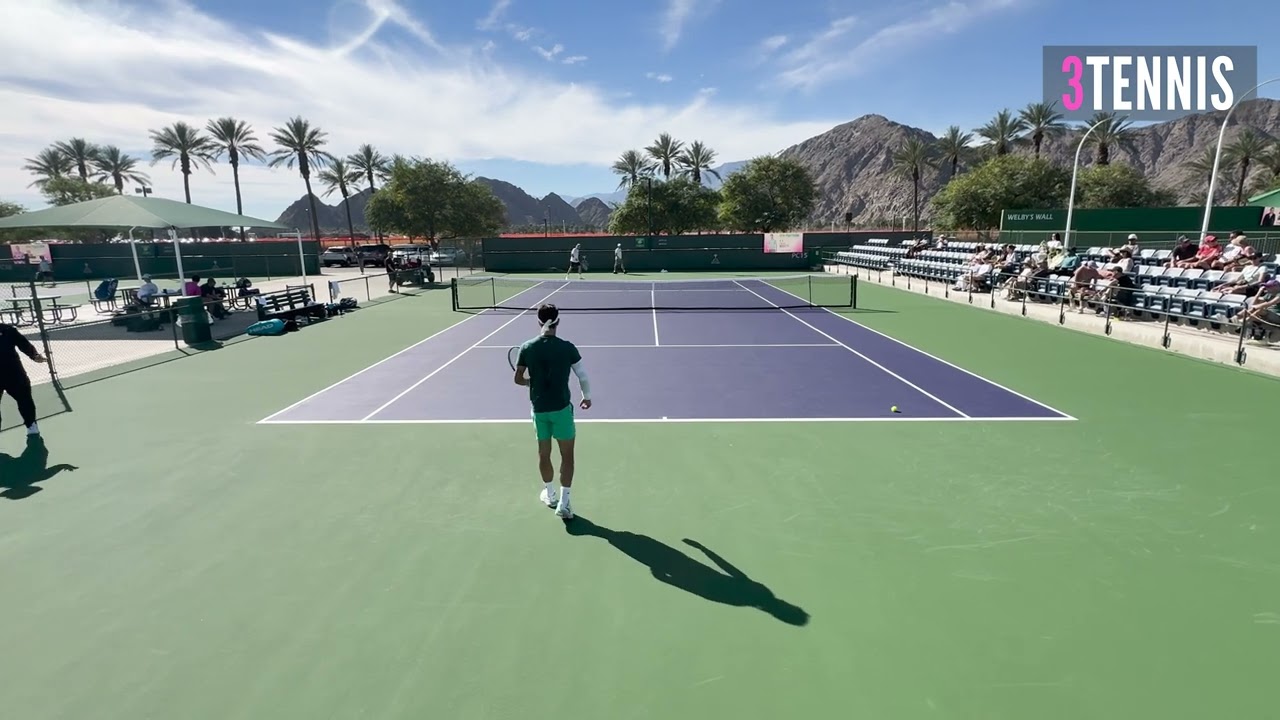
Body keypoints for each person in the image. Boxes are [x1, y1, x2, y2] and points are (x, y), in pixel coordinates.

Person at [513, 304, 591, 519]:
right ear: (558, 322)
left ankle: (549, 493)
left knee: (543, 453)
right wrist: (587, 397)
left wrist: (531, 382)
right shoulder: (567, 347)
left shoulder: (527, 347)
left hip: (539, 410)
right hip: (562, 409)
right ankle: (564, 503)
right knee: (567, 456)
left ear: (538, 321)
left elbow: (518, 379)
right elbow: (582, 376)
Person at [0, 322, 48, 436]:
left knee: (25, 400)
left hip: (14, 373)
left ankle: (31, 425)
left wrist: (34, 355)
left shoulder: (7, 330)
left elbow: (23, 343)